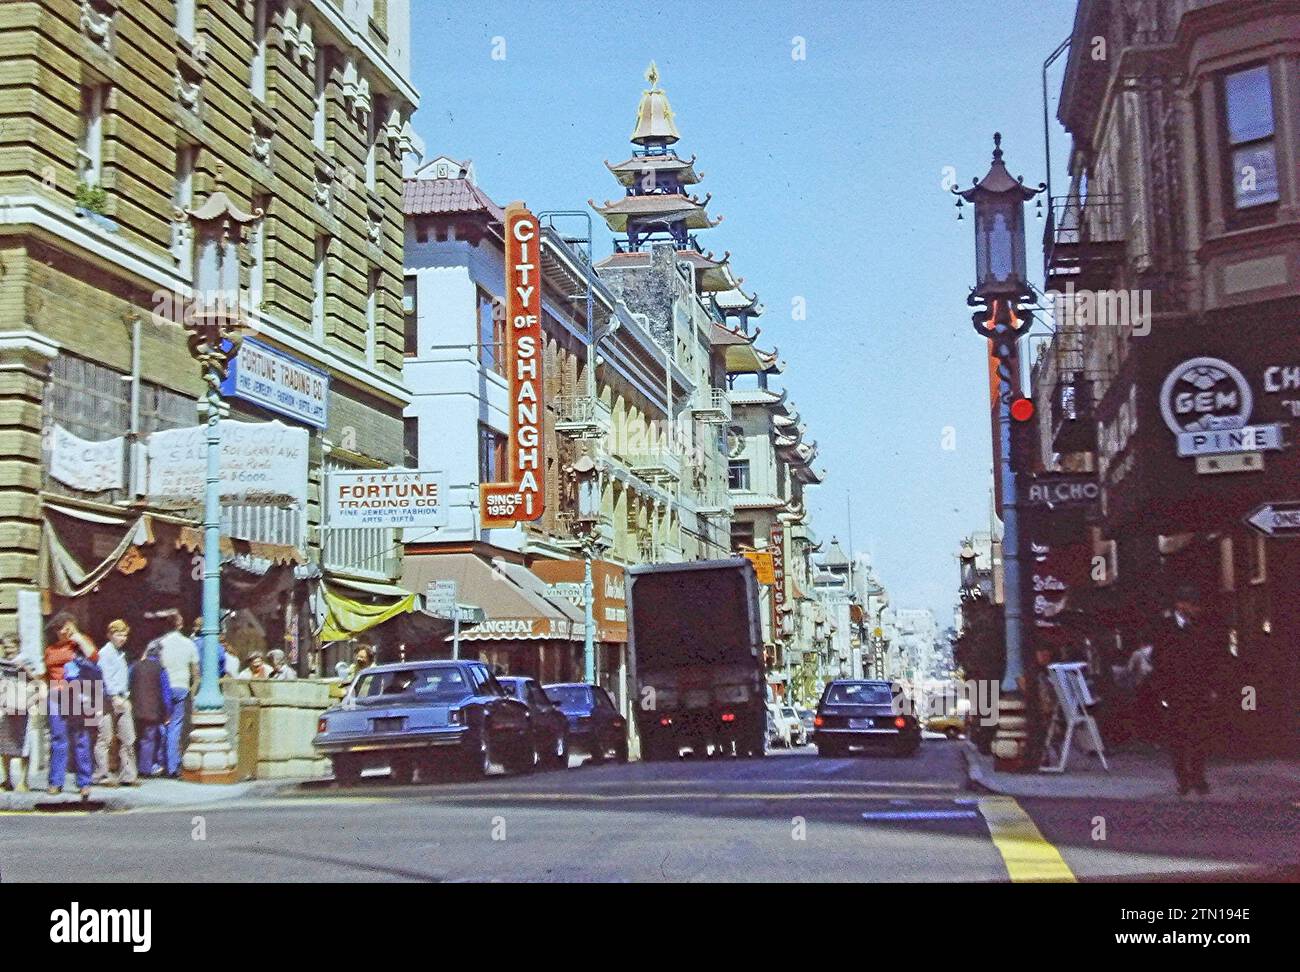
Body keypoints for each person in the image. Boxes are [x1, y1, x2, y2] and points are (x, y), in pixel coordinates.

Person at [1150, 584, 1223, 796]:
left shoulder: (1201, 627)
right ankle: (1183, 778)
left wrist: (1212, 686)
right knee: (1178, 736)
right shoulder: (1165, 628)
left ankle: (1199, 777)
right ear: (1180, 605)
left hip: (1198, 689)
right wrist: (1163, 688)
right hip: (1175, 690)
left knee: (1200, 735)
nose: (1196, 610)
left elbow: (1211, 658)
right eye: (1192, 605)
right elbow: (1158, 658)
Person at [43, 612, 98, 798]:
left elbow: (94, 657)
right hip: (55, 695)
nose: (61, 632)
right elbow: (47, 673)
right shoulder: (50, 649)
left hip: (75, 694)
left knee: (80, 739)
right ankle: (55, 782)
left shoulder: (79, 644)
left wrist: (77, 636)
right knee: (58, 739)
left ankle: (84, 782)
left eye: (65, 627)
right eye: (58, 628)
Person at [92, 620, 138, 787]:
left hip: (122, 698)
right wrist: (114, 697)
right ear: (109, 635)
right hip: (107, 700)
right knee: (104, 738)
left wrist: (125, 697)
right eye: (118, 634)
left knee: (128, 738)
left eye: (125, 634)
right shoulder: (106, 653)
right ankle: (101, 775)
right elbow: (106, 677)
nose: (122, 638)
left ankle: (128, 775)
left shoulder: (121, 654)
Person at [156, 610, 199, 779]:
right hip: (181, 686)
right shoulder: (189, 644)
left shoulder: (161, 644)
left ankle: (161, 762)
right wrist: (193, 691)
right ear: (180, 625)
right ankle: (173, 766)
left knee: (163, 725)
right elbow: (196, 672)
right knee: (176, 726)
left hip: (164, 685)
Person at [129, 643, 172, 777]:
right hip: (152, 711)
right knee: (149, 739)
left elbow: (129, 684)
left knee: (136, 738)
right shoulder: (160, 669)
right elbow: (166, 694)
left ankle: (133, 766)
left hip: (136, 708)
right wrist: (167, 713)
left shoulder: (135, 666)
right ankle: (145, 769)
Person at [0, 638, 36, 792]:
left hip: (22, 706)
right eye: (6, 647)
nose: (8, 650)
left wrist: (24, 668)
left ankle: (23, 781)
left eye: (11, 647)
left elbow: (36, 681)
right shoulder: (1, 663)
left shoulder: (25, 660)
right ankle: (7, 780)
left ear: (18, 646)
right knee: (5, 745)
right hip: (6, 706)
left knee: (24, 744)